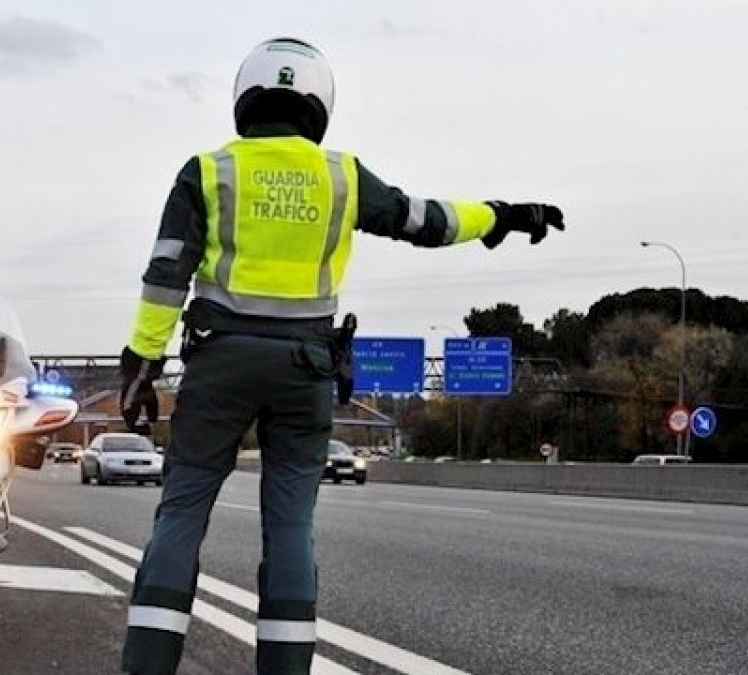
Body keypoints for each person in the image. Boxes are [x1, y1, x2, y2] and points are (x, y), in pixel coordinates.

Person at [118, 37, 564, 675]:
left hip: (220, 363)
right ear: (319, 104)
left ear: (245, 98)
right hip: (306, 371)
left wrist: (142, 364)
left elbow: (166, 274)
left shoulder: (208, 170)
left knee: (184, 508)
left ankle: (147, 665)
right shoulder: (341, 176)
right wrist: (499, 215)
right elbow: (425, 220)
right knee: (291, 527)